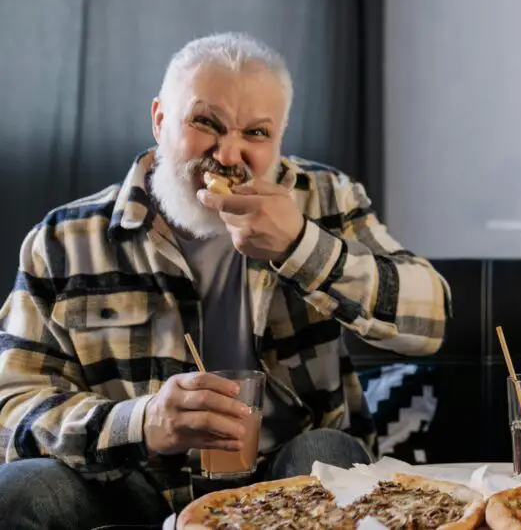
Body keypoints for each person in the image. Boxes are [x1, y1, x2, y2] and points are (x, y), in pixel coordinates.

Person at [0, 33, 451, 529]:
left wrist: (300, 246)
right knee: (16, 491)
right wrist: (142, 422)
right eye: (205, 122)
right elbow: (13, 403)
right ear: (159, 119)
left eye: (256, 133)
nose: (229, 154)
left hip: (289, 474)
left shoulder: (325, 199)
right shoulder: (65, 237)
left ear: (279, 138)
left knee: (327, 450)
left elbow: (430, 320)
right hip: (129, 478)